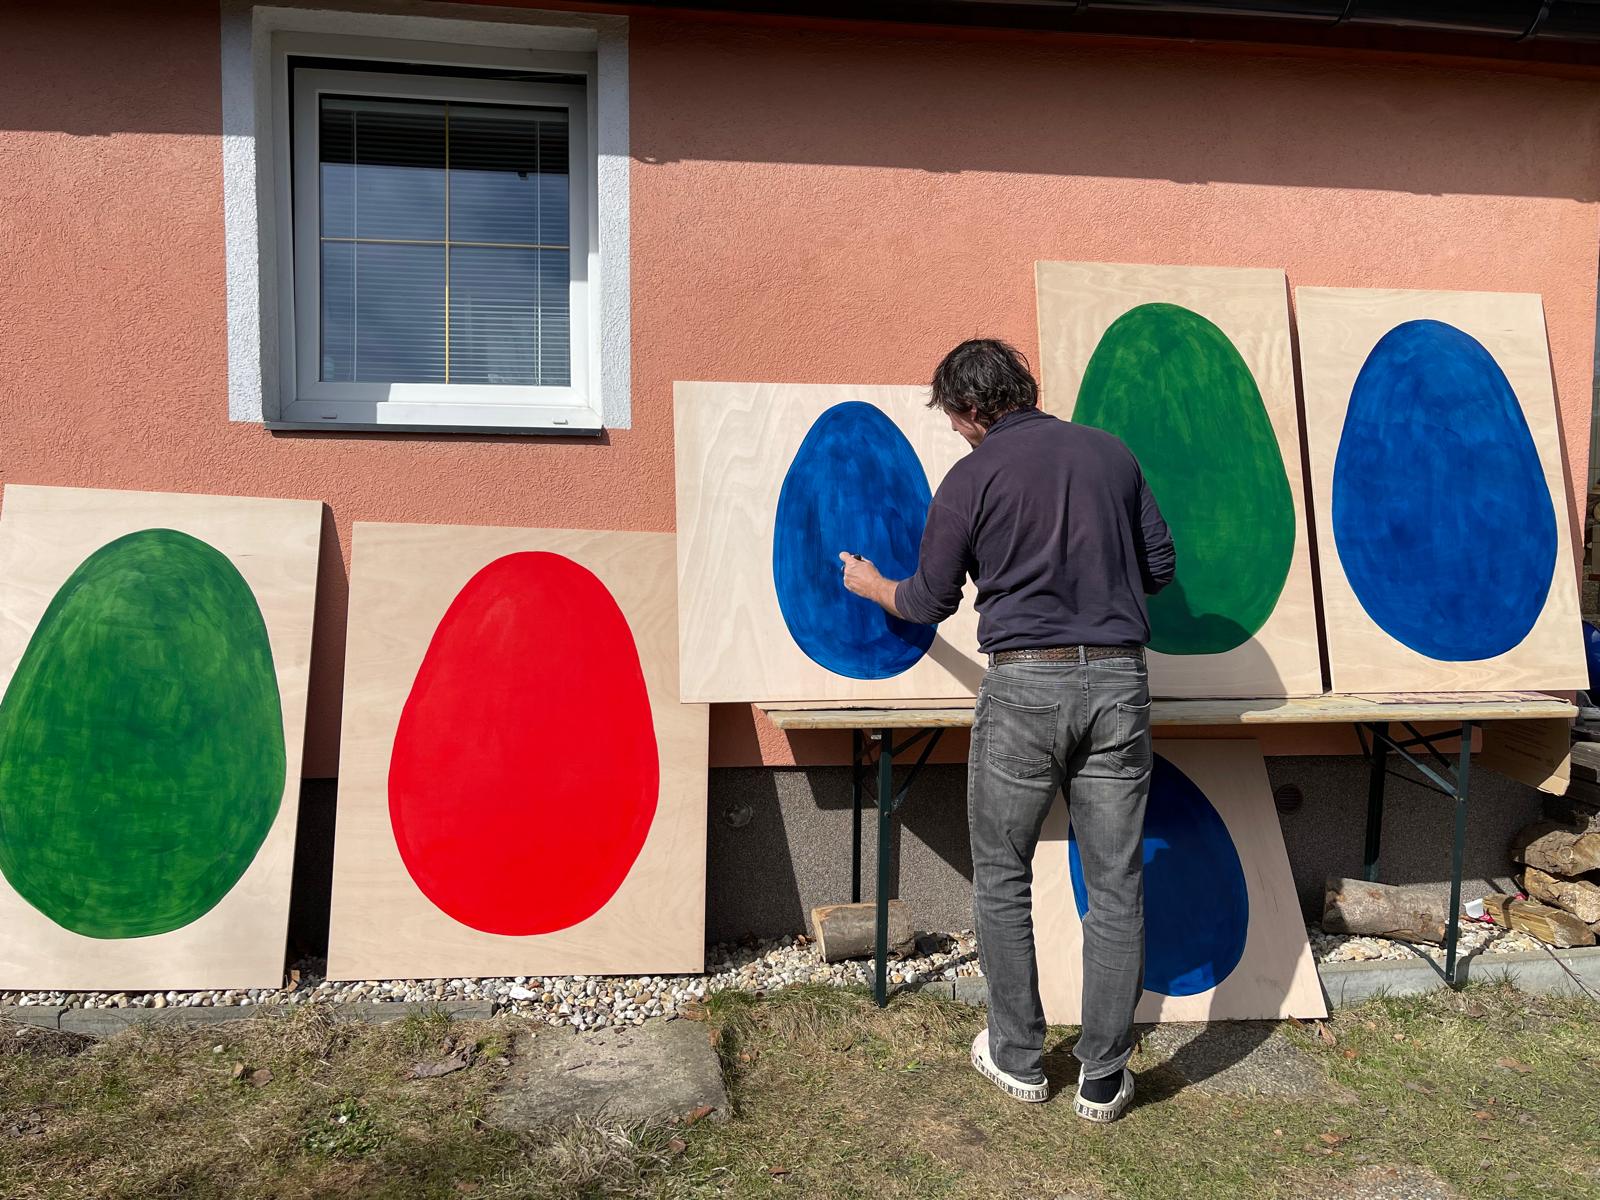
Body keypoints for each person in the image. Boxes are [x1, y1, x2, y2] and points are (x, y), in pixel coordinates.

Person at [839, 338, 1174, 1123]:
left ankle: (1019, 1058)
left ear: (969, 411)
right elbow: (1159, 568)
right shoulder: (1111, 455)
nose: (956, 432)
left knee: (1002, 874)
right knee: (1117, 882)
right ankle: (1103, 1079)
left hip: (1025, 685)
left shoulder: (973, 476)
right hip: (1120, 682)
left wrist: (872, 585)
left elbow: (929, 600)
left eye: (953, 420)